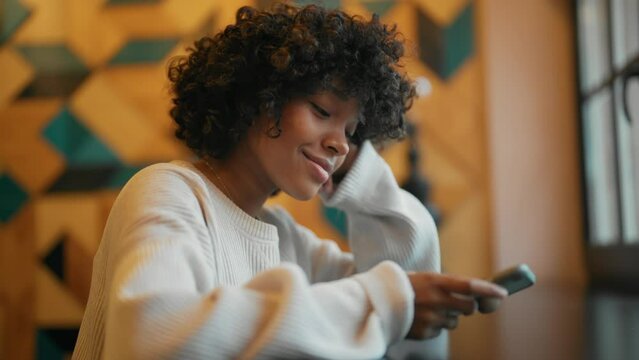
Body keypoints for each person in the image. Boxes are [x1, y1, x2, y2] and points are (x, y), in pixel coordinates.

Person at [73, 3, 507, 359]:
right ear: (259, 97)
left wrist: (359, 174)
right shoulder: (169, 191)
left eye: (353, 132)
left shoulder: (288, 241)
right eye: (321, 110)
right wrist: (383, 303)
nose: (341, 144)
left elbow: (406, 336)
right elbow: (153, 337)